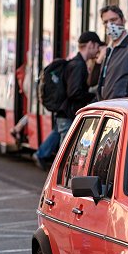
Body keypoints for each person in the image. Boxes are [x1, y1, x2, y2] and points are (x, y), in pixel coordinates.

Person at [33, 31, 104, 170]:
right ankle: (58, 181)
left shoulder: (74, 63)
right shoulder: (78, 65)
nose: (97, 51)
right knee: (64, 155)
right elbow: (74, 92)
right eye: (96, 47)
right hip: (68, 114)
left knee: (63, 150)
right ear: (90, 44)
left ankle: (46, 160)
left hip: (64, 113)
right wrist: (92, 96)